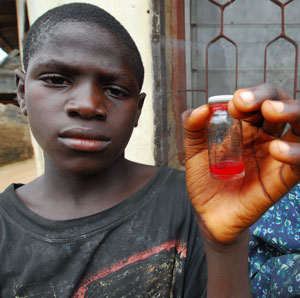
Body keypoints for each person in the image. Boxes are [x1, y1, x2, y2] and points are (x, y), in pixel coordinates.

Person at [0, 2, 299, 297]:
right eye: (57, 80)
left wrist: (225, 245)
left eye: (115, 90)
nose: (88, 105)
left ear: (138, 111)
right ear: (23, 93)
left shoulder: (195, 202)